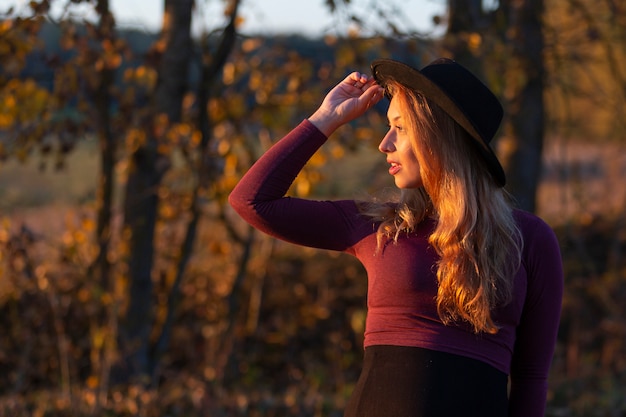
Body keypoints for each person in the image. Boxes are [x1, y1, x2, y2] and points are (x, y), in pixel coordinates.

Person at [229, 57, 563, 417]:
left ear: (439, 135)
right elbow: (252, 201)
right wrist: (326, 118)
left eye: (400, 128)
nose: (384, 143)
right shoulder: (380, 225)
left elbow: (530, 379)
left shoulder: (528, 239)